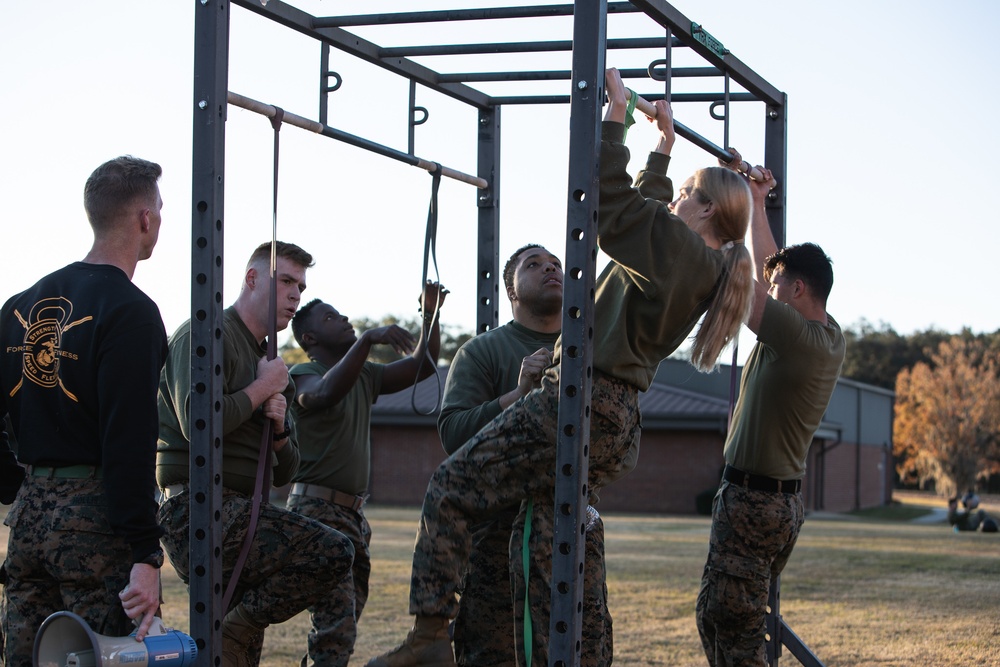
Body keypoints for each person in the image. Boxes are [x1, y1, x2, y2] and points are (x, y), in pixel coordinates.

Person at [366, 66, 755, 667]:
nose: (673, 198)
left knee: (451, 486)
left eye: (683, 192)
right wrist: (662, 151)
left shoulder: (677, 249)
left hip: (583, 396)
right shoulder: (699, 262)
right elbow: (645, 213)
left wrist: (614, 117)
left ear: (703, 210)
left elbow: (606, 203)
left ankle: (428, 639)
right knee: (563, 531)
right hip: (617, 411)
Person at [0, 156, 168, 665]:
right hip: (96, 525)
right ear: (142, 217)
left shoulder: (17, 306)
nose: (161, 220)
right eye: (159, 209)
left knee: (27, 658)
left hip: (28, 519)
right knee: (102, 655)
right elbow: (129, 440)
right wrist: (145, 553)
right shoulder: (132, 312)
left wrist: (18, 490)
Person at [156, 241, 355, 667]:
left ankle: (233, 631)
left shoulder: (271, 362)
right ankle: (232, 629)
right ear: (251, 279)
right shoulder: (206, 334)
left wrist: (280, 427)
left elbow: (287, 471)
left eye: (300, 286)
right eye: (285, 281)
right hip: (195, 506)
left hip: (240, 509)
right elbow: (198, 424)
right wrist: (261, 389)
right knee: (333, 550)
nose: (295, 295)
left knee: (238, 656)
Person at [694, 156, 846, 666]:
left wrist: (724, 207)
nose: (771, 286)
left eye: (780, 285)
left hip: (754, 502)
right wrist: (757, 204)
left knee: (733, 632)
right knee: (721, 616)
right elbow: (769, 266)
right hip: (772, 500)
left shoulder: (793, 335)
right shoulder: (825, 334)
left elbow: (743, 281)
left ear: (798, 291)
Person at [438, 244, 612, 667]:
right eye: (533, 265)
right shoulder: (483, 351)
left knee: (584, 652)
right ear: (511, 291)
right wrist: (518, 396)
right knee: (494, 653)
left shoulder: (593, 348)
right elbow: (453, 434)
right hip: (499, 536)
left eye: (555, 263)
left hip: (573, 526)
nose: (550, 268)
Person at [284, 280, 448, 667]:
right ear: (309, 337)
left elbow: (423, 365)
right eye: (330, 317)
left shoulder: (365, 375)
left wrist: (431, 312)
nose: (343, 320)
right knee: (336, 622)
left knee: (344, 615)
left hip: (353, 515)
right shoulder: (303, 372)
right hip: (316, 511)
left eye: (343, 315)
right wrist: (369, 338)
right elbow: (321, 394)